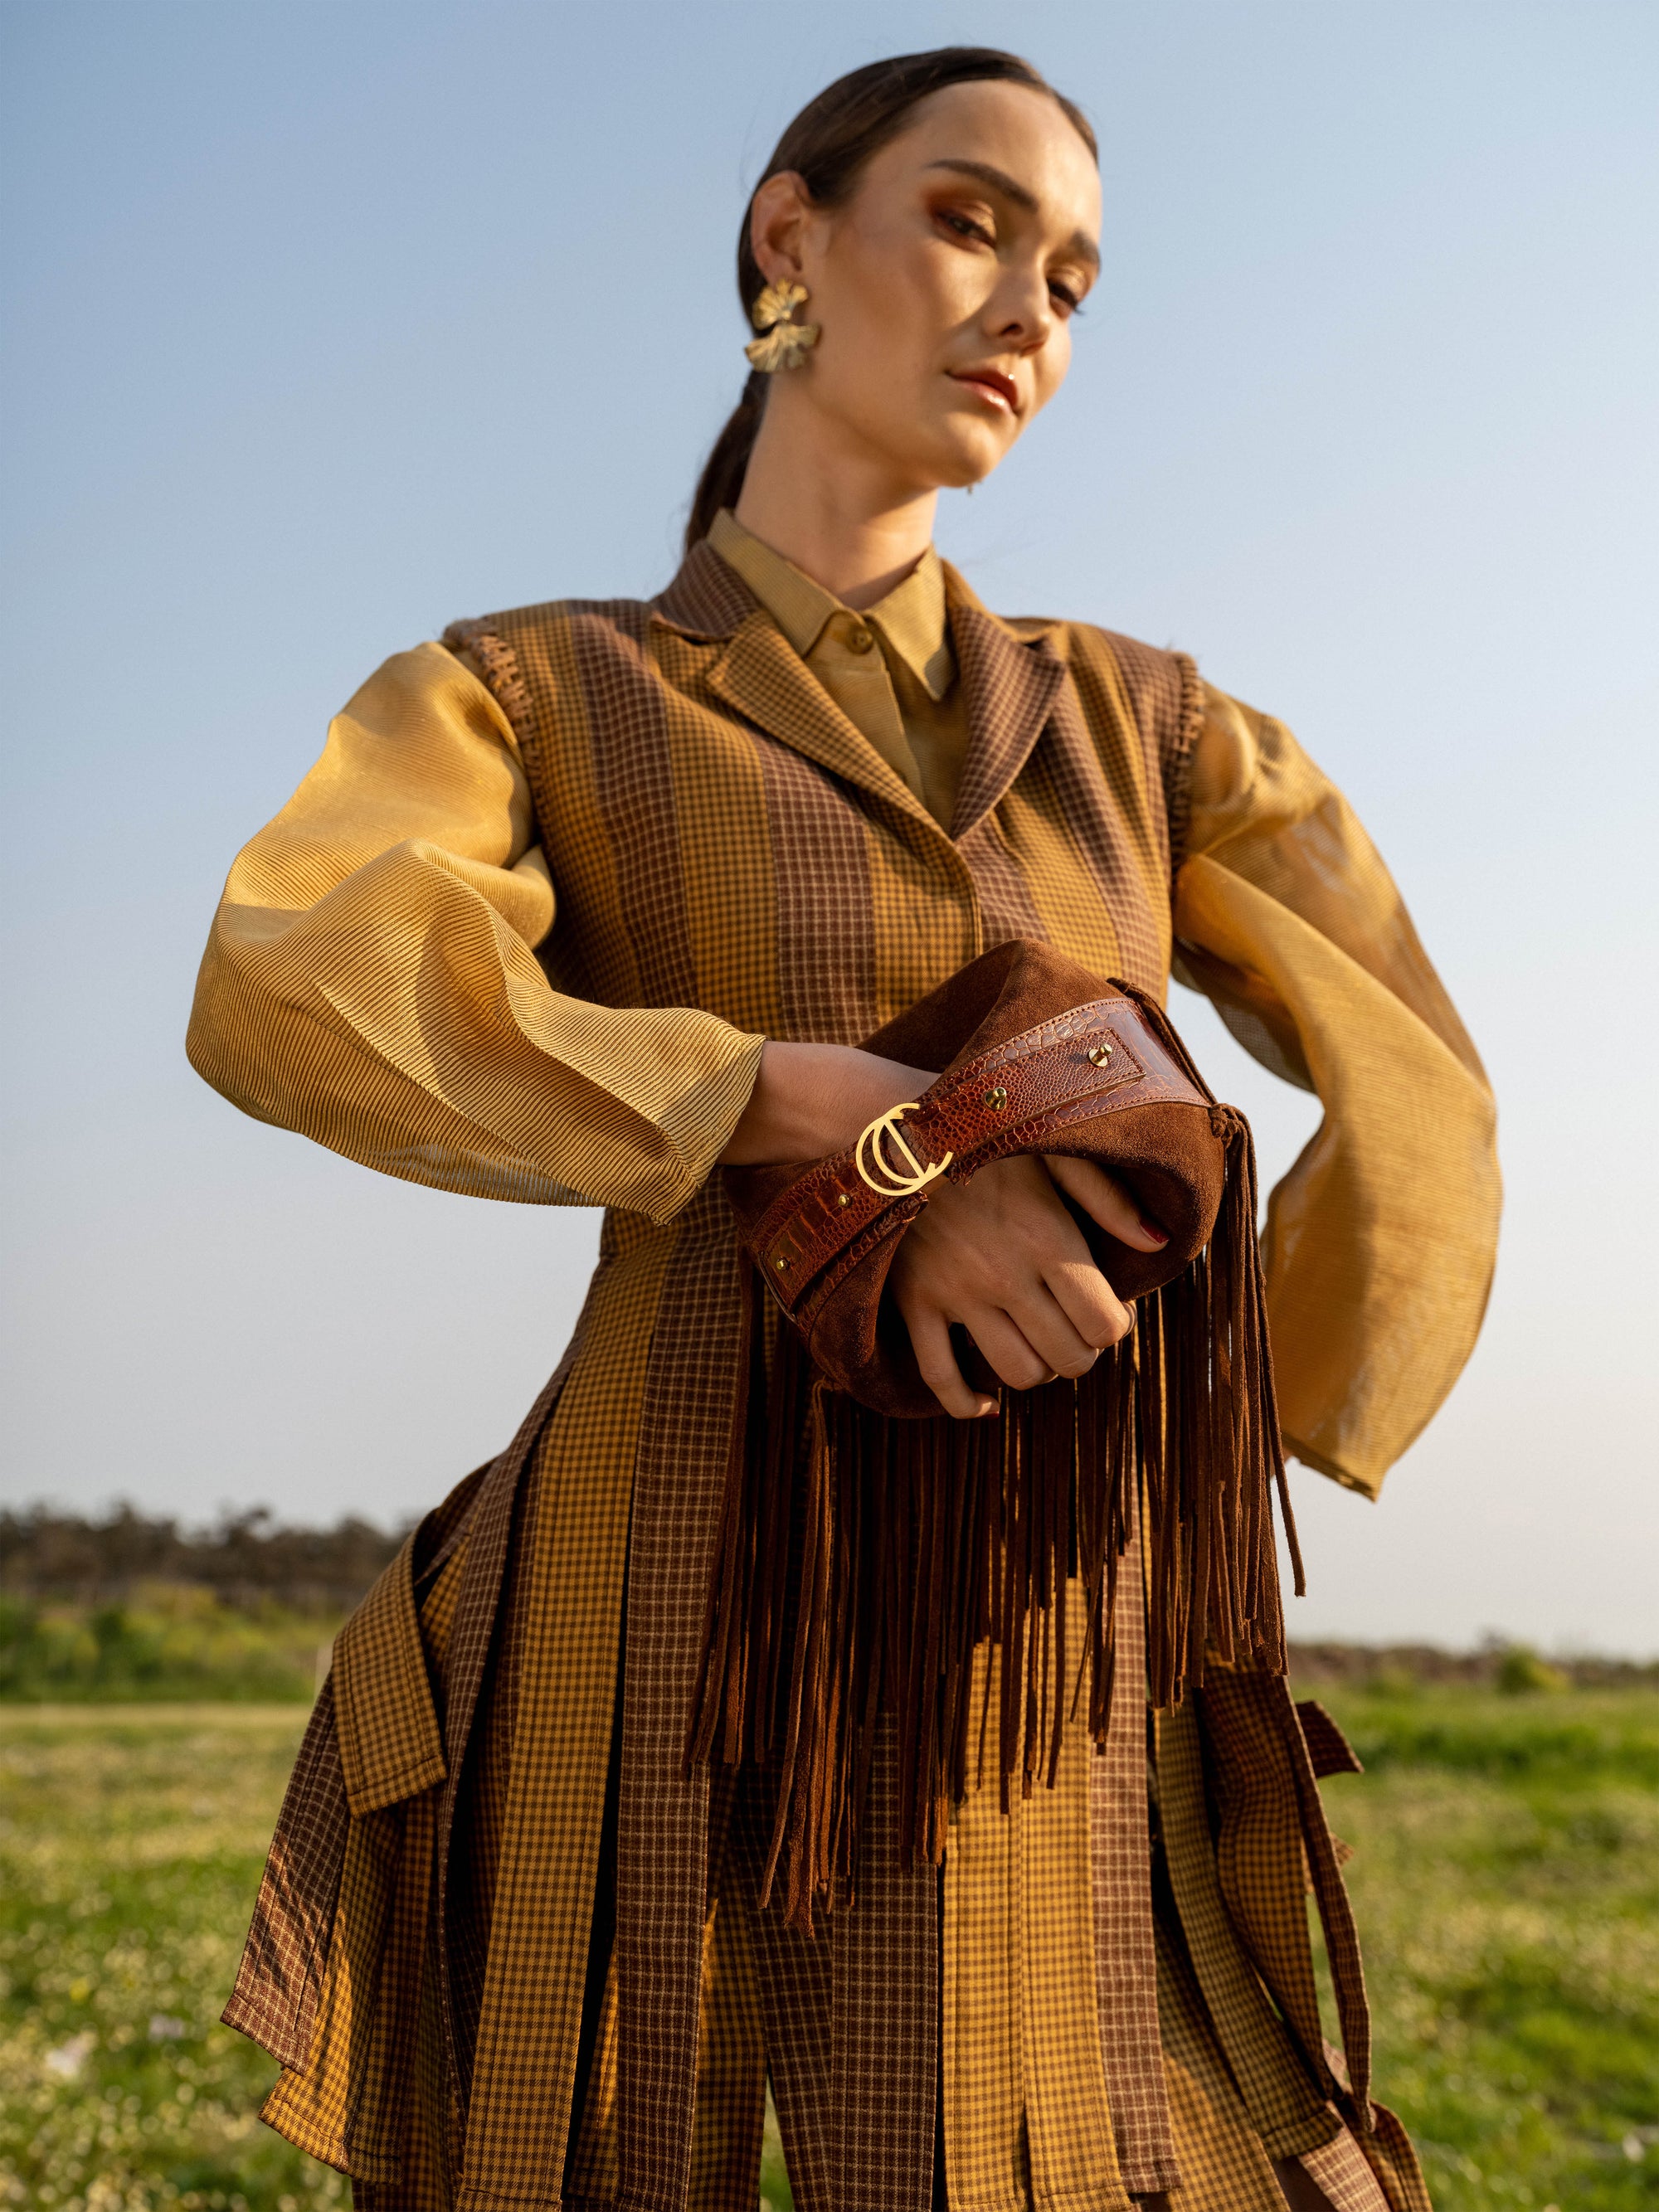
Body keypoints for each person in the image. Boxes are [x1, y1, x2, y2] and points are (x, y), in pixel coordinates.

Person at [188, 46, 1499, 2212]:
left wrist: (1212, 1422)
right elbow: (296, 970)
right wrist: (763, 1097)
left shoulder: (1150, 726)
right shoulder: (530, 687)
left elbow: (1418, 1078)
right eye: (973, 221)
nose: (1031, 310)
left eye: (1074, 277)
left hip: (1041, 1614)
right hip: (652, 1572)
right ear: (789, 239)